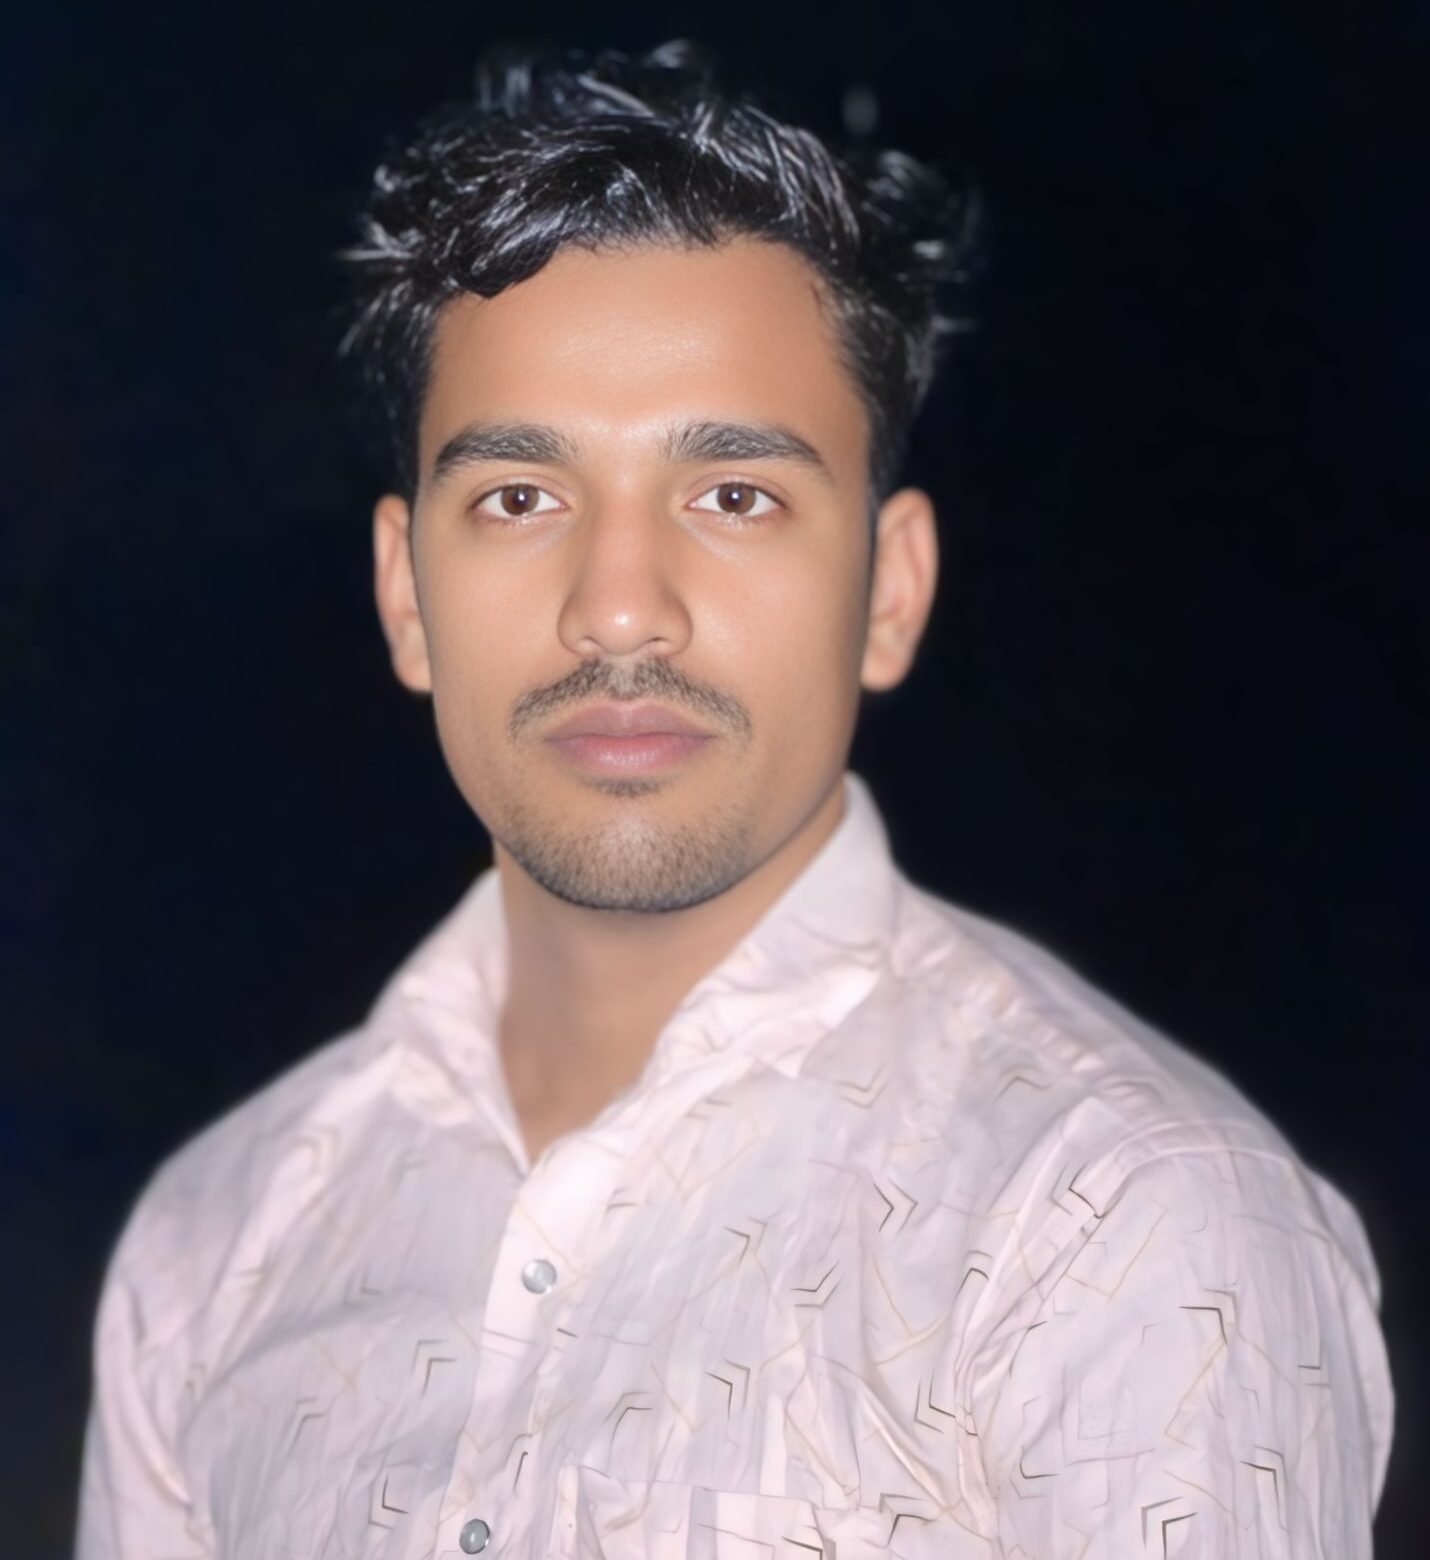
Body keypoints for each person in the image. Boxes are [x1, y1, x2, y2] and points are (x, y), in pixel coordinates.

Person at [74, 40, 1392, 1560]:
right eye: (519, 498)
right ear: (406, 595)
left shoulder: (1124, 1227)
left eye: (734, 496)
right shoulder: (218, 1245)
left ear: (888, 591)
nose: (619, 608)